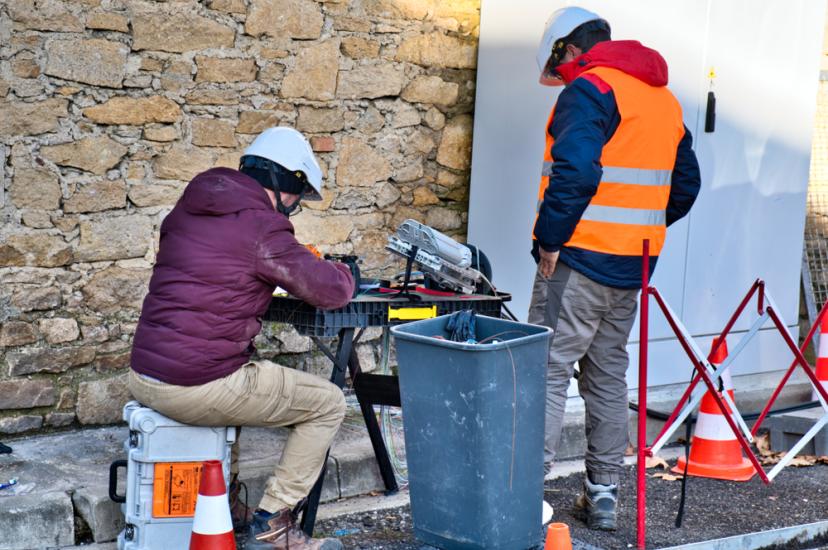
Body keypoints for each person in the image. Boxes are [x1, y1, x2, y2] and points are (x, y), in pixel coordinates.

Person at [128, 127, 355, 550]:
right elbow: (330, 291)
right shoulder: (264, 228)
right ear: (286, 181)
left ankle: (226, 508)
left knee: (246, 380)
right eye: (297, 194)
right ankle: (274, 525)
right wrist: (347, 273)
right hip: (195, 384)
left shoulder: (187, 210)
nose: (294, 206)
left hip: (145, 373)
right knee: (327, 403)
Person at [529, 7, 701, 531]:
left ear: (569, 51)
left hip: (577, 257)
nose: (560, 77)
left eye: (559, 65)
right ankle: (603, 495)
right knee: (607, 378)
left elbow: (576, 170)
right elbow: (685, 186)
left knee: (547, 370)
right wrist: (639, 228)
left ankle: (521, 490)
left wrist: (550, 239)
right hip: (633, 264)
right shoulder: (662, 99)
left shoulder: (590, 91)